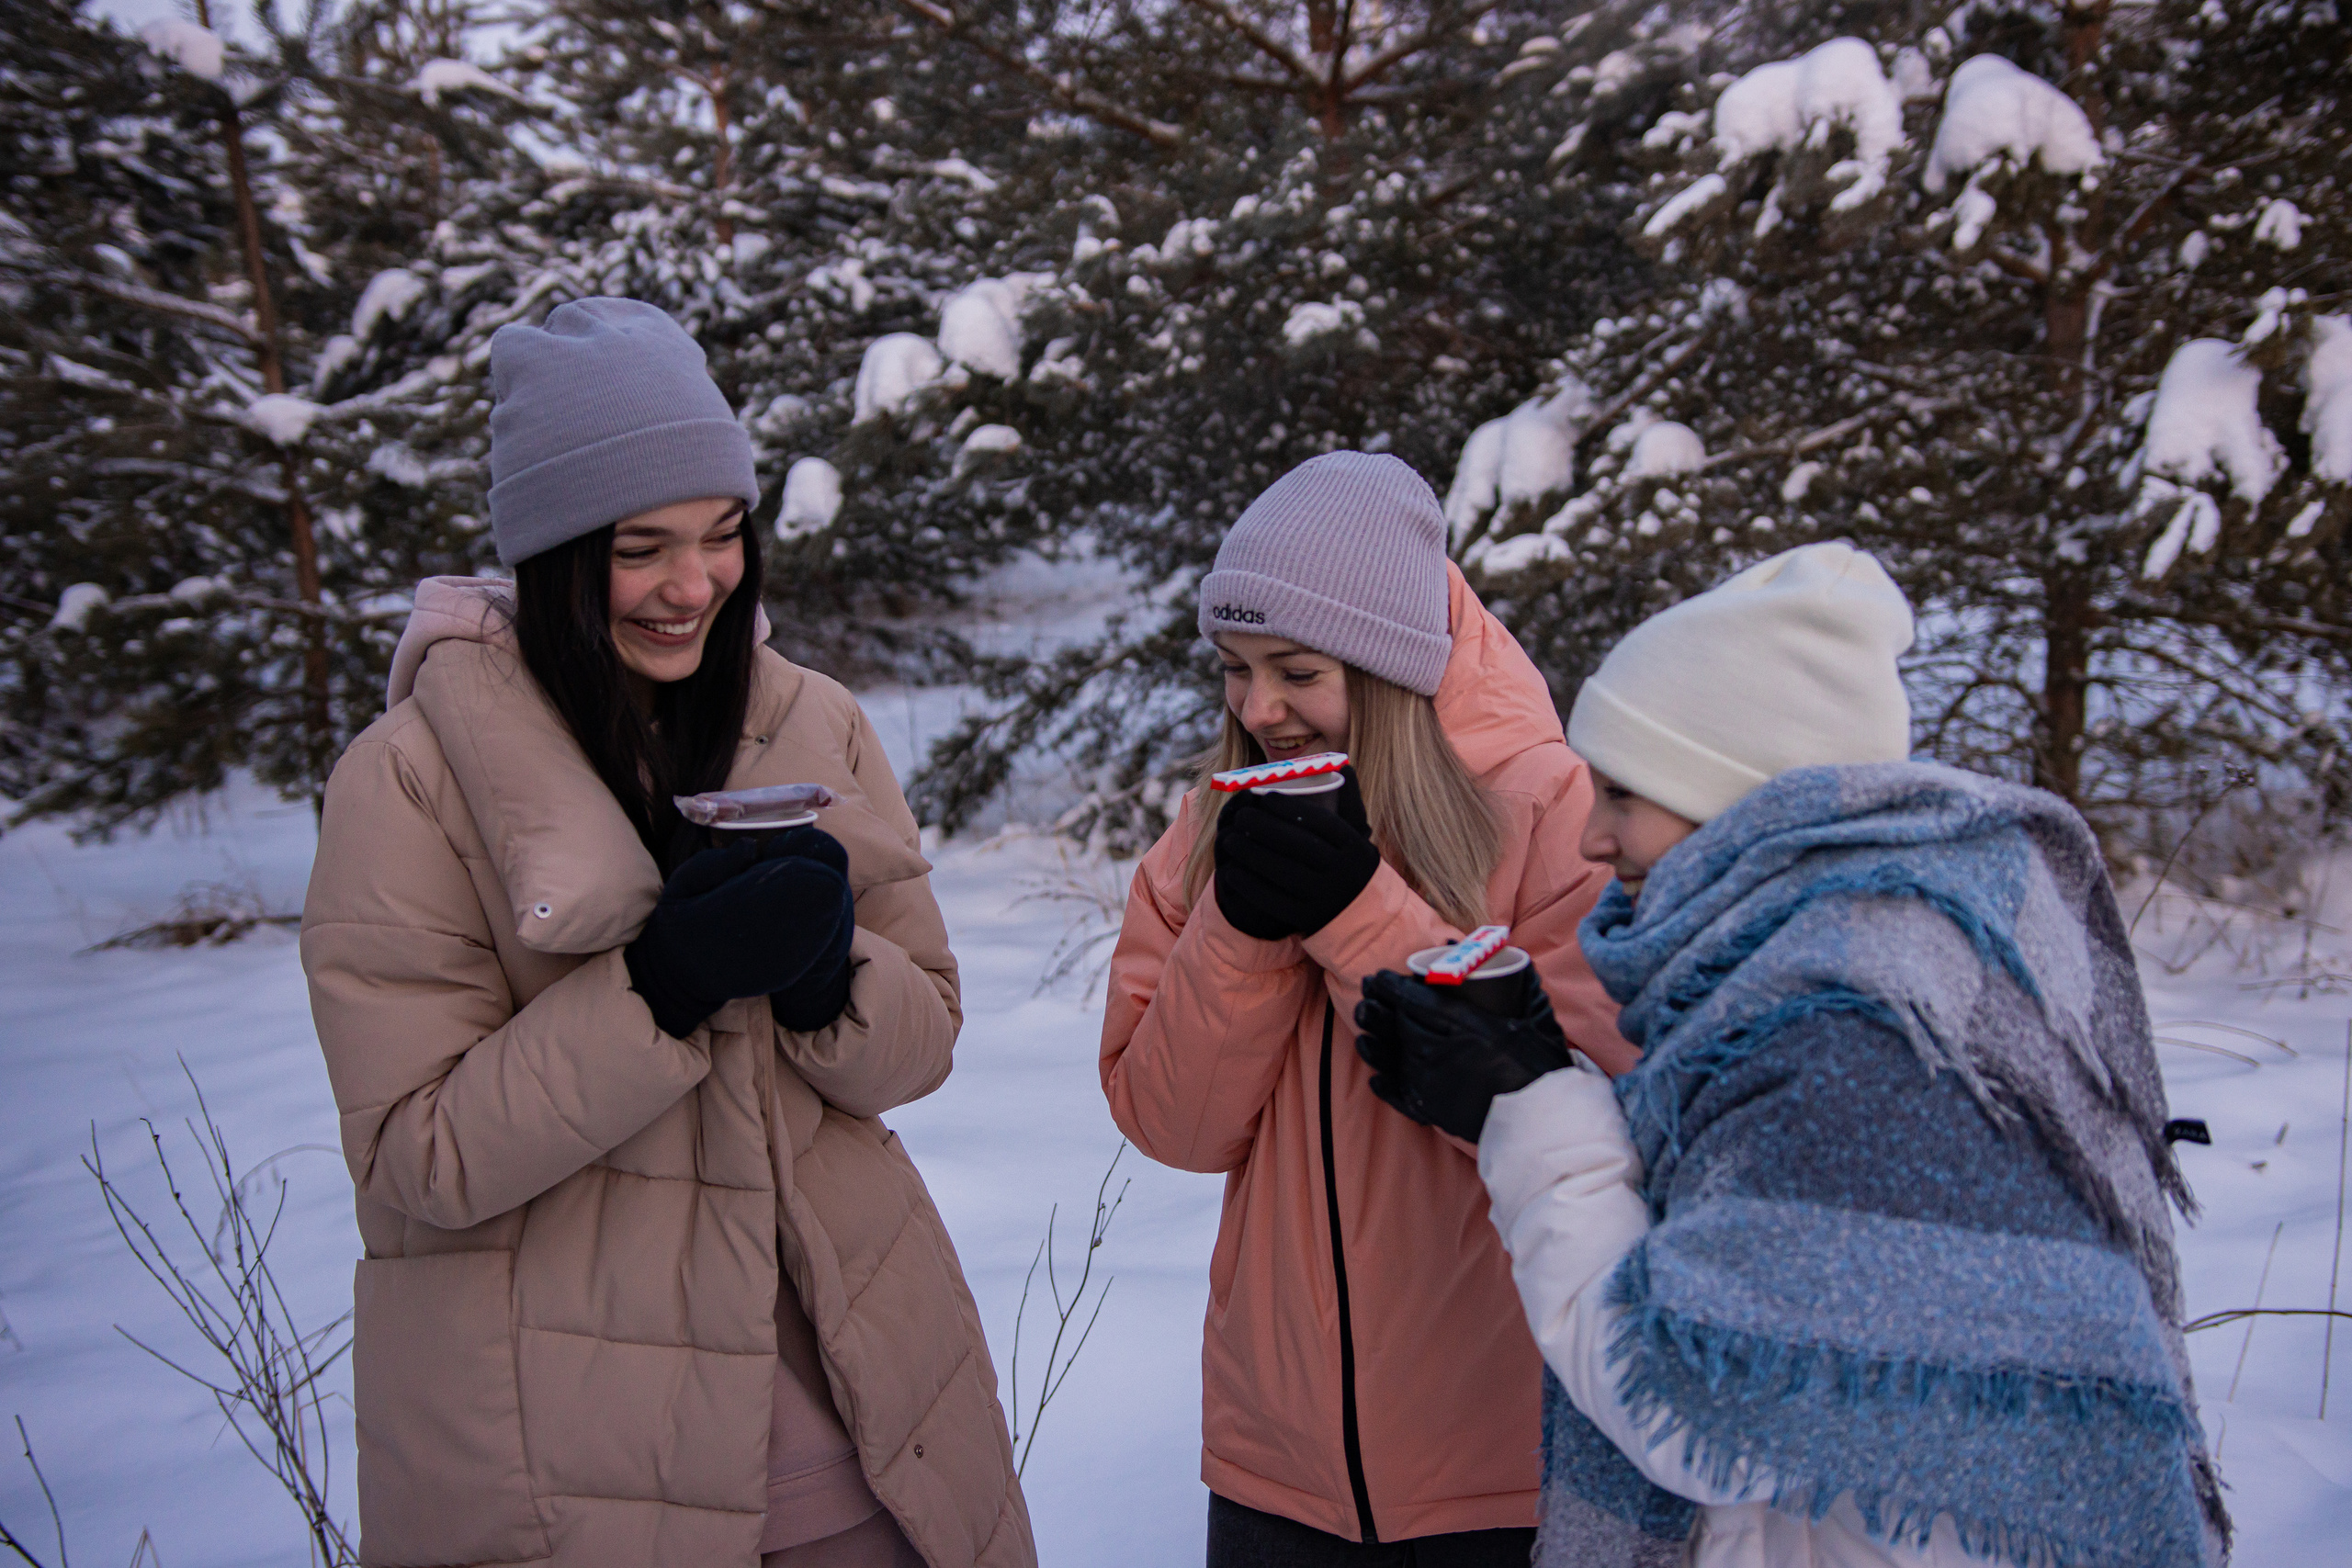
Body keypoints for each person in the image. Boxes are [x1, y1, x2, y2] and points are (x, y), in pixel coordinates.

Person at [301, 299, 1034, 1568]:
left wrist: (826, 976)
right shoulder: (412, 781)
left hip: (864, 1425)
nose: (695, 584)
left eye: (723, 533)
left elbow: (923, 1040)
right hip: (575, 1460)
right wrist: (657, 986)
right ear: (556, 553)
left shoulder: (817, 721)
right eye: (643, 547)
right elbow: (419, 1158)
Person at [1354, 543, 2229, 1568]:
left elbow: (1692, 1405)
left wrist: (1531, 1114)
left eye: (1623, 796)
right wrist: (1552, 1082)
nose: (1592, 840)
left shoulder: (1847, 1034)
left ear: (1743, 801)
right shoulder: (1892, 945)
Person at [1100, 452, 1637, 1565]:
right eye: (1237, 670)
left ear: (1388, 667)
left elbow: (1588, 1121)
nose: (1260, 709)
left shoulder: (1553, 813)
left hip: (1505, 1464)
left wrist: (1356, 914)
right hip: (1274, 1466)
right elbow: (1174, 1126)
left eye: (1295, 670)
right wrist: (1239, 930)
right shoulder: (1210, 831)